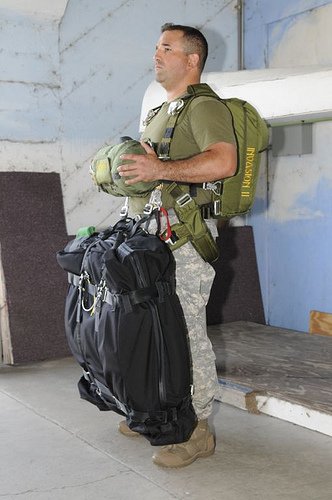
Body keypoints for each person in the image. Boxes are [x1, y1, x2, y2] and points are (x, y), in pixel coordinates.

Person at [117, 23, 237, 468]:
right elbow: (151, 171)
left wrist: (158, 170)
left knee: (186, 334)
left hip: (184, 241)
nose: (156, 55)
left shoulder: (205, 107)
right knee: (149, 331)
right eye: (155, 47)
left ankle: (198, 428)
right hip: (149, 239)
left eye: (166, 48)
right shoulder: (159, 111)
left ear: (192, 60)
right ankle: (153, 413)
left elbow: (224, 161)